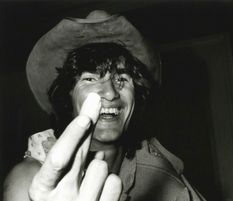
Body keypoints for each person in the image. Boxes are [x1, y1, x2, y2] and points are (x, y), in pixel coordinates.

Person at [3, 10, 206, 201]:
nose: (110, 92)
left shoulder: (160, 169)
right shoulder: (30, 180)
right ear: (67, 96)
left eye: (122, 79)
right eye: (90, 79)